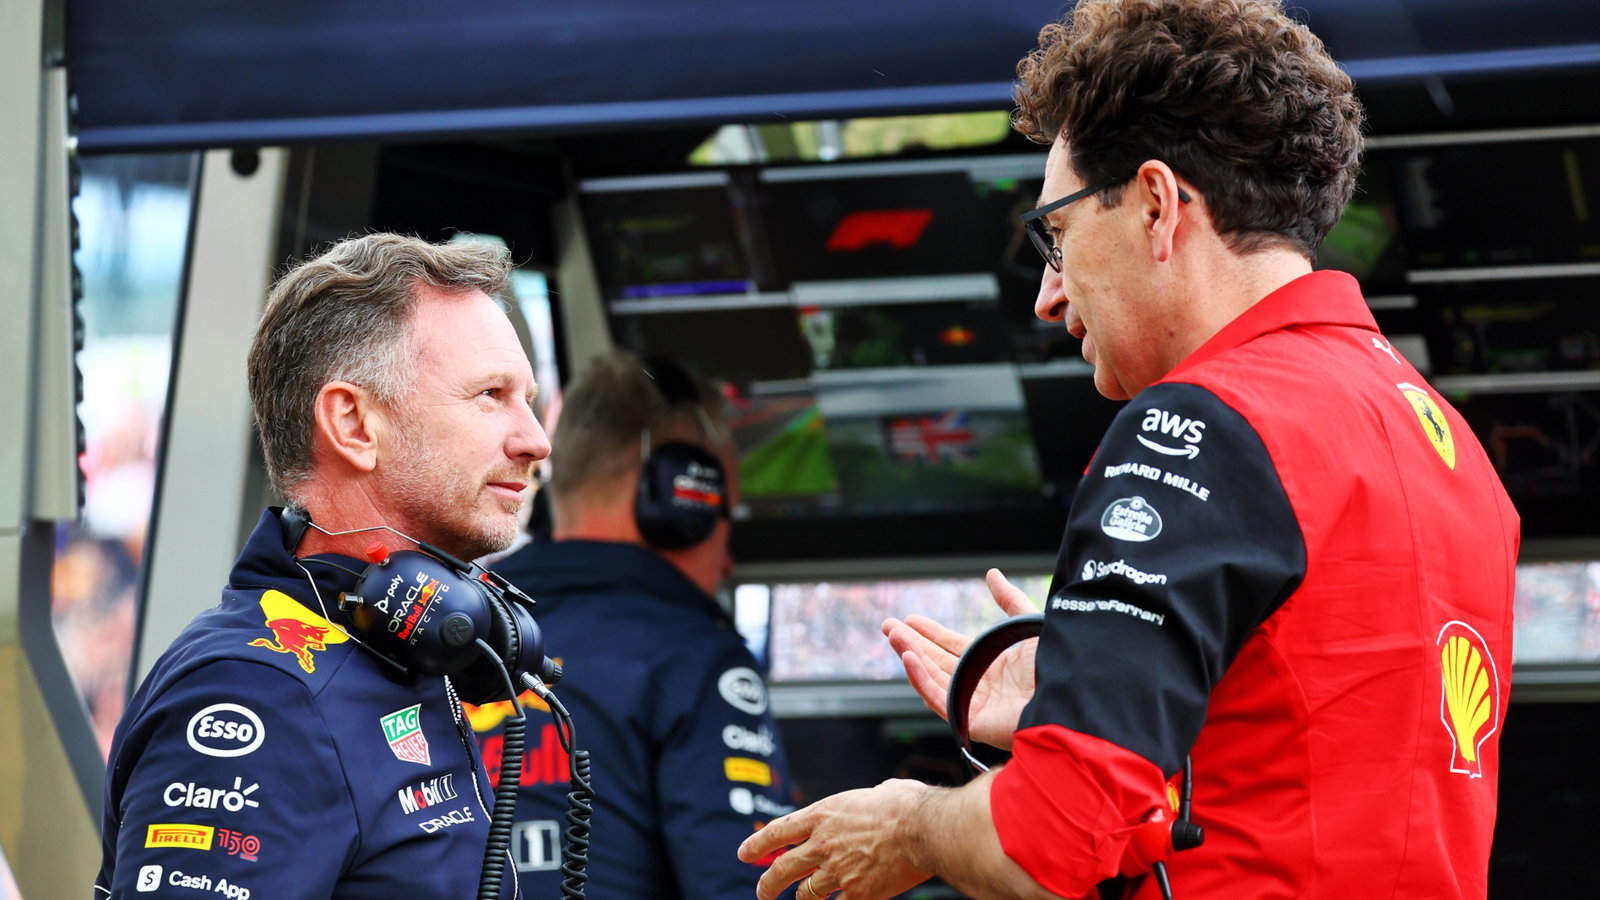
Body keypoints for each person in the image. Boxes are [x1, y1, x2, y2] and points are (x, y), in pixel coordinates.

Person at [738, 1, 1519, 898]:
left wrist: (912, 823)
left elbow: (1055, 837)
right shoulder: (1444, 438)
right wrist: (1100, 695)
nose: (1047, 294)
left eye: (1056, 236)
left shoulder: (1202, 423)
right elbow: (1317, 755)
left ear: (1155, 205)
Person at [95, 233, 550, 898]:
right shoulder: (255, 694)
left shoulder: (396, 648)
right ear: (354, 424)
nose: (534, 439)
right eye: (491, 394)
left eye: (528, 398)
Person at [467, 349, 800, 900]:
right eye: (726, 518)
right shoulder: (696, 659)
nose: (729, 561)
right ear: (682, 498)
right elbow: (755, 888)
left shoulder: (439, 632)